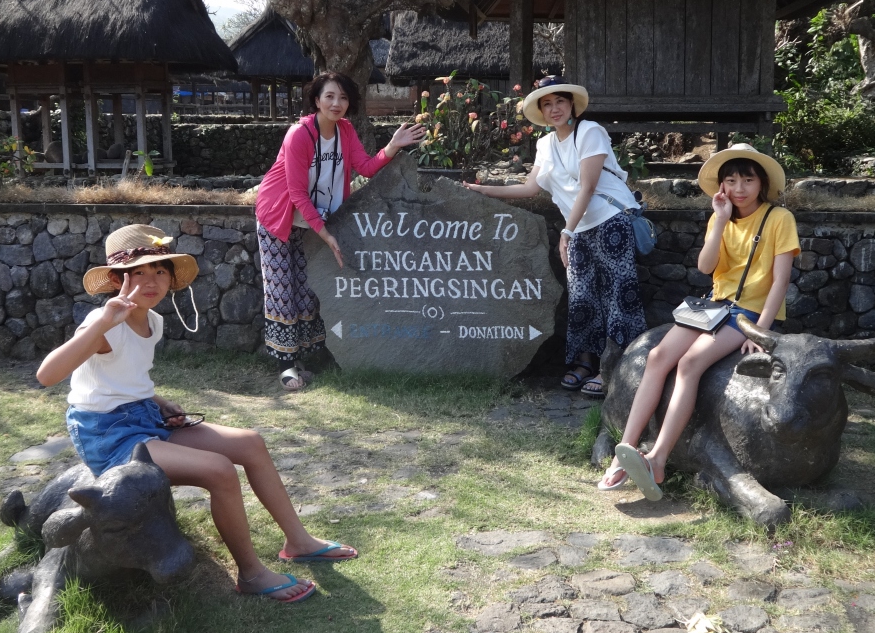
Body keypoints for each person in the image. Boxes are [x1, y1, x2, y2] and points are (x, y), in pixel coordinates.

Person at [37, 224, 358, 603]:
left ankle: (299, 541)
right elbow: (48, 375)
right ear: (118, 279)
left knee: (250, 443)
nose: (151, 281)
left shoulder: (153, 322)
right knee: (219, 471)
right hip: (108, 435)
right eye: (139, 272)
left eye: (160, 270)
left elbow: (121, 379)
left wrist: (157, 402)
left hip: (142, 418)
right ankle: (252, 574)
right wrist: (106, 321)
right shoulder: (103, 323)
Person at [602, 144, 799, 499]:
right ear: (721, 185)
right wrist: (721, 220)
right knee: (657, 358)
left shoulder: (779, 219)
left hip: (747, 313)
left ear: (762, 182)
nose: (739, 188)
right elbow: (706, 268)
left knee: (690, 364)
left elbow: (780, 281)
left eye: (748, 180)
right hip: (712, 304)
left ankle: (658, 458)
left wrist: (762, 331)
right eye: (731, 180)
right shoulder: (720, 216)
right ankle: (625, 452)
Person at [466, 76, 646, 396]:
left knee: (618, 297)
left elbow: (588, 187)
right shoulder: (545, 144)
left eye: (560, 101)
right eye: (547, 104)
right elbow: (530, 187)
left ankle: (618, 368)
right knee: (581, 300)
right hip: (576, 229)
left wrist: (565, 232)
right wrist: (482, 190)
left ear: (572, 104)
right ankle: (585, 363)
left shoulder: (590, 132)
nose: (554, 109)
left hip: (610, 222)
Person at [255, 72, 424, 389]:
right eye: (330, 96)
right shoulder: (299, 135)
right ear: (316, 100)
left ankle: (305, 355)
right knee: (282, 288)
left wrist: (393, 146)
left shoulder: (345, 131)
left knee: (308, 288)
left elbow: (366, 167)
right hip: (278, 216)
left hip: (313, 219)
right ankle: (286, 365)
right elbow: (296, 193)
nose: (337, 103)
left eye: (344, 97)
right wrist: (327, 234)